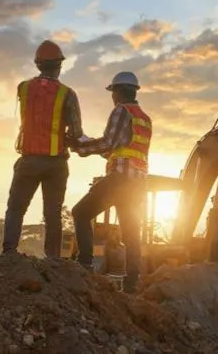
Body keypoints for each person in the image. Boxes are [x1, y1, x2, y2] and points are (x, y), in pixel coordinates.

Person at [2, 39, 84, 259]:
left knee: (16, 209)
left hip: (28, 160)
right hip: (56, 163)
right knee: (52, 214)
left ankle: (9, 254)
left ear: (38, 64)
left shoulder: (24, 87)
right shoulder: (67, 94)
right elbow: (76, 133)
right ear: (59, 66)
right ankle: (54, 260)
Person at [70, 71, 151, 293]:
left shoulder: (120, 111)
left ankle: (84, 265)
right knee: (131, 232)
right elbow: (120, 150)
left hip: (120, 180)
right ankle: (132, 283)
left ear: (117, 91)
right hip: (137, 183)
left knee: (80, 213)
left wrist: (81, 147)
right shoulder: (144, 118)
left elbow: (107, 143)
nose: (112, 97)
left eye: (112, 92)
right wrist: (96, 150)